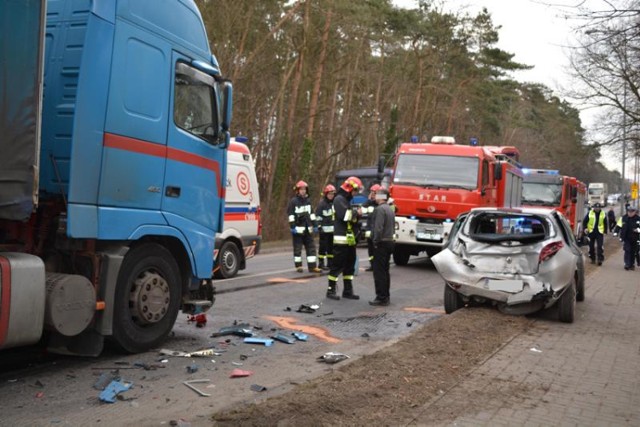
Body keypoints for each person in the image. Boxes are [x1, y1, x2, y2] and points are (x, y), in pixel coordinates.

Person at [327, 176, 363, 300]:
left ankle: (348, 290)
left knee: (350, 265)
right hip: (341, 239)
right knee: (337, 265)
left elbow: (352, 220)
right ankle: (331, 290)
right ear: (349, 188)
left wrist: (356, 218)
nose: (356, 193)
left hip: (349, 240)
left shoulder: (347, 200)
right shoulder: (339, 200)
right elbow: (345, 216)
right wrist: (356, 213)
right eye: (355, 190)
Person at [287, 180, 321, 273]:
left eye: (304, 189)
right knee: (297, 249)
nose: (303, 191)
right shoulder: (293, 202)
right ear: (297, 191)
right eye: (301, 189)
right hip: (298, 230)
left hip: (308, 229)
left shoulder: (308, 201)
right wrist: (292, 227)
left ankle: (312, 267)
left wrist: (315, 225)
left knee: (311, 248)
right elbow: (291, 215)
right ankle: (298, 266)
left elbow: (312, 214)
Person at [369, 188, 395, 306]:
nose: (375, 196)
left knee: (379, 271)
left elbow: (378, 228)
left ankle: (381, 297)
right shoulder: (389, 209)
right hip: (389, 242)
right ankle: (386, 296)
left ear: (381, 196)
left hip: (381, 243)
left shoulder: (380, 209)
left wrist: (375, 241)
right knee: (385, 271)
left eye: (377, 194)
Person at [315, 184, 336, 271]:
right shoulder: (322, 204)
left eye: (332, 194)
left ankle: (330, 263)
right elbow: (318, 217)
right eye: (329, 194)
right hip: (324, 230)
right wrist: (319, 227)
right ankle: (321, 263)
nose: (331, 196)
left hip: (333, 230)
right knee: (323, 247)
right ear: (326, 194)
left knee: (331, 248)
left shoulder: (335, 203)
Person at [362, 184, 382, 271]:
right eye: (371, 193)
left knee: (378, 250)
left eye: (374, 193)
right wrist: (369, 200)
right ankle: (372, 265)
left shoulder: (382, 204)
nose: (372, 194)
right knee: (371, 250)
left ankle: (378, 266)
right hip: (370, 231)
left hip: (378, 232)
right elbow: (362, 208)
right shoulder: (370, 203)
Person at [619, 205, 640, 271]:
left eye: (632, 211)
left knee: (633, 252)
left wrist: (638, 230)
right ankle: (627, 264)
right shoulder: (623, 218)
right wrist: (616, 232)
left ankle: (632, 264)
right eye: (629, 211)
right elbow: (618, 225)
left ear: (635, 212)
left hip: (635, 238)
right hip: (626, 238)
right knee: (627, 250)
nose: (630, 213)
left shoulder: (638, 218)